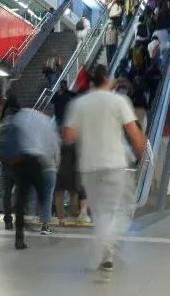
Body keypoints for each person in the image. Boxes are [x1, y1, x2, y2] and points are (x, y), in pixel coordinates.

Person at [63, 64, 148, 281]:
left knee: (100, 213)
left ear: (91, 81)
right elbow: (134, 132)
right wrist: (142, 154)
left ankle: (106, 258)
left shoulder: (79, 103)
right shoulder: (119, 101)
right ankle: (100, 248)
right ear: (108, 81)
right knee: (117, 212)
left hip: (90, 167)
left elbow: (68, 136)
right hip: (114, 164)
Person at [10, 108, 60, 247]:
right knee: (44, 196)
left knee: (22, 198)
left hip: (20, 161)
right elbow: (54, 145)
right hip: (38, 162)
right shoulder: (46, 122)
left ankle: (19, 236)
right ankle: (45, 223)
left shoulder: (20, 115)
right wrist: (55, 165)